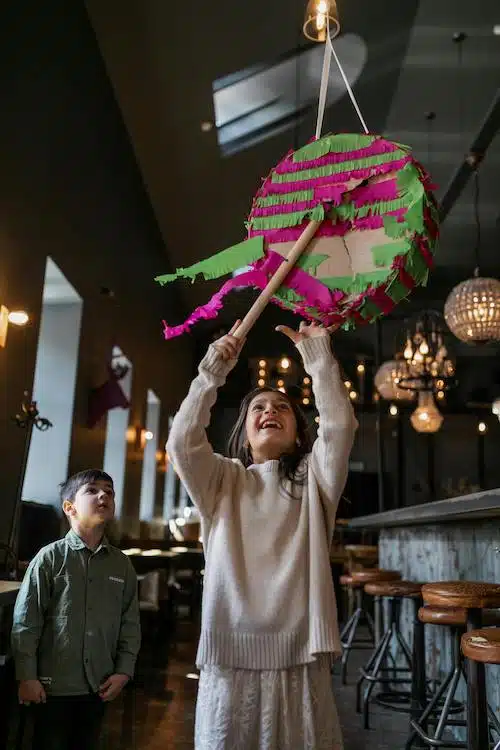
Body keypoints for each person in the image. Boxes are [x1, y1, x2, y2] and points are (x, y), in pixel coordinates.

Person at [167, 319, 358, 750]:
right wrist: (212, 371)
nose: (270, 410)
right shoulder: (221, 480)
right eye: (259, 407)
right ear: (244, 433)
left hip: (299, 652)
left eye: (283, 407)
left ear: (297, 435)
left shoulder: (315, 478)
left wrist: (320, 360)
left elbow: (340, 429)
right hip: (230, 648)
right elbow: (182, 443)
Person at [11, 469, 141, 750]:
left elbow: (130, 623)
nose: (104, 494)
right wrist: (27, 676)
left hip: (99, 685)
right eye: (92, 490)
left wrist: (124, 671)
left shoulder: (121, 565)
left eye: (109, 490)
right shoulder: (49, 558)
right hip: (51, 686)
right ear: (69, 507)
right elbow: (26, 623)